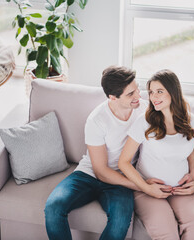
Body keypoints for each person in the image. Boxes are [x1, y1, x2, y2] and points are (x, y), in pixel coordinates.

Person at [44, 66, 147, 240]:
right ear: (113, 97)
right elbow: (100, 171)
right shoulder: (97, 119)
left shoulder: (144, 110)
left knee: (121, 219)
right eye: (130, 94)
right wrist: (142, 186)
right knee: (53, 207)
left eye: (137, 89)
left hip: (121, 177)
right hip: (89, 174)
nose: (138, 96)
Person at [118, 69, 194, 240]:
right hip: (147, 189)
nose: (154, 97)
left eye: (159, 91)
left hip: (180, 189)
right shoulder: (144, 122)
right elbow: (123, 162)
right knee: (167, 233)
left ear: (173, 92)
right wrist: (146, 187)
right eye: (151, 92)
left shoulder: (193, 122)